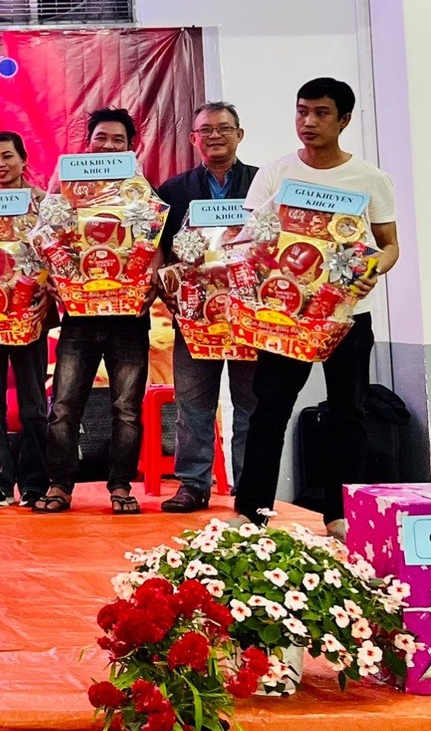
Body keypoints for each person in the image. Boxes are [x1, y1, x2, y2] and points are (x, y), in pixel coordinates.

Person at [233, 78, 400, 538]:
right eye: (302, 111)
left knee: (349, 412)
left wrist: (374, 269)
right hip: (285, 316)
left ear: (344, 120)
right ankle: (251, 511)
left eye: (321, 113)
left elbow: (389, 245)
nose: (308, 122)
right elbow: (250, 237)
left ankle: (340, 515)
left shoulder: (369, 178)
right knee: (269, 410)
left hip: (347, 316)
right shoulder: (276, 173)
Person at [37, 108, 155, 517]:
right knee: (64, 405)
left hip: (129, 318)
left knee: (127, 409)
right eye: (100, 138)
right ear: (87, 144)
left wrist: (152, 283)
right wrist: (54, 278)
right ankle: (59, 485)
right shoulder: (66, 188)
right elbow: (46, 239)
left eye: (117, 140)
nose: (108, 146)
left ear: (130, 148)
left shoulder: (143, 194)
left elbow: (155, 245)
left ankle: (121, 486)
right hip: (80, 316)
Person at [154, 102, 259, 515]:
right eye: (206, 130)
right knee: (193, 404)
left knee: (251, 405)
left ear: (239, 134)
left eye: (224, 128)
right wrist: (165, 286)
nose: (215, 136)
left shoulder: (261, 184)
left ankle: (250, 489)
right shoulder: (174, 190)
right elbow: (157, 246)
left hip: (250, 317)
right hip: (194, 317)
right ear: (193, 139)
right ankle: (193, 485)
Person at [0, 131, 52, 509]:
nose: (0, 164)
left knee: (33, 403)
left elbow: (57, 253)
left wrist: (46, 288)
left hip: (29, 316)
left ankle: (35, 483)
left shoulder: (45, 205)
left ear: (23, 160)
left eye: (7, 156)